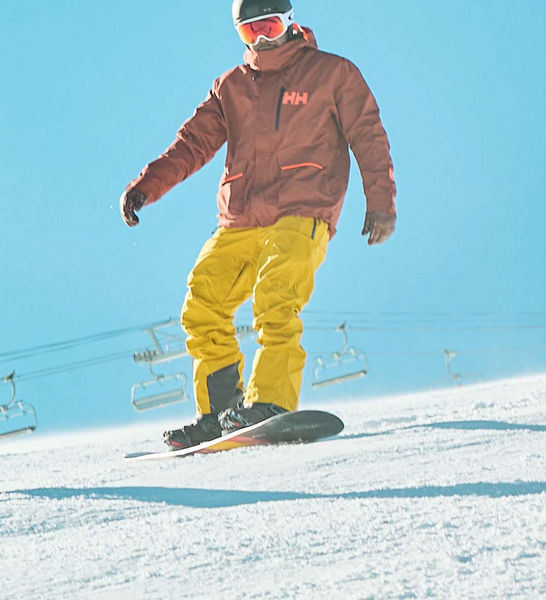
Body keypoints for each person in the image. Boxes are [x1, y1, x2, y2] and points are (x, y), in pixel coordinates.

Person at [120, 0, 398, 449]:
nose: (262, 39)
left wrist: (381, 202)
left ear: (289, 22)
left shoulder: (332, 73)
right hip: (240, 218)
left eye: (268, 26)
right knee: (203, 304)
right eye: (251, 32)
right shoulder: (230, 87)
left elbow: (368, 134)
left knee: (276, 298)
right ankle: (219, 414)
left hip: (304, 209)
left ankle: (270, 402)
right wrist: (146, 187)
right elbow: (191, 145)